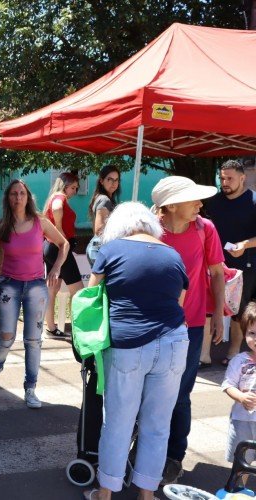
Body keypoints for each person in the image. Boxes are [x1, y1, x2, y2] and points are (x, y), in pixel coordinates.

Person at [82, 202, 189, 500]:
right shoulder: (173, 255)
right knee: (157, 423)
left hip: (127, 345)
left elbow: (92, 299)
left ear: (119, 225)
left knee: (118, 421)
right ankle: (146, 494)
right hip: (173, 342)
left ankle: (105, 493)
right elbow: (179, 302)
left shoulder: (111, 251)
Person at [151, 176, 226, 484]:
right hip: (152, 325)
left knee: (180, 394)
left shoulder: (205, 228)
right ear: (170, 206)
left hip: (192, 326)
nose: (200, 203)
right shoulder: (149, 230)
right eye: (192, 198)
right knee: (151, 393)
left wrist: (218, 312)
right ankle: (145, 451)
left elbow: (217, 273)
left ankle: (173, 457)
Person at [0, 179, 68, 408]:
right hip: (9, 286)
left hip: (36, 286)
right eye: (13, 194)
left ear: (28, 197)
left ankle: (30, 389)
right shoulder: (2, 226)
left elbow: (63, 244)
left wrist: (56, 268)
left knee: (33, 340)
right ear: (8, 199)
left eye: (22, 193)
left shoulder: (40, 222)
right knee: (6, 336)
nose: (18, 197)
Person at [204, 159, 256, 367]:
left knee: (238, 312)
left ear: (242, 178)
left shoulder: (253, 201)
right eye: (222, 178)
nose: (224, 182)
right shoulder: (214, 202)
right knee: (209, 308)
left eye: (229, 178)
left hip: (247, 266)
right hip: (216, 265)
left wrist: (245, 244)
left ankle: (234, 351)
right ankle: (204, 355)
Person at [42, 172, 84, 339]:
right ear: (65, 185)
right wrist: (60, 230)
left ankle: (51, 328)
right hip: (60, 248)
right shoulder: (60, 197)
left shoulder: (51, 198)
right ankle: (80, 330)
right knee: (78, 292)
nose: (74, 191)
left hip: (50, 247)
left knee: (52, 289)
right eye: (73, 187)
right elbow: (58, 207)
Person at [222, 301, 256, 480]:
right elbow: (228, 385)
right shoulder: (239, 360)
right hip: (242, 420)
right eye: (252, 333)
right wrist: (241, 397)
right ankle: (239, 492)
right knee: (242, 462)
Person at [86, 165, 121, 265]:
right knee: (102, 281)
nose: (114, 183)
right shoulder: (104, 200)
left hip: (100, 249)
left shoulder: (105, 198)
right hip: (100, 250)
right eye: (109, 179)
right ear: (101, 181)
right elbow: (99, 229)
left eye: (116, 180)